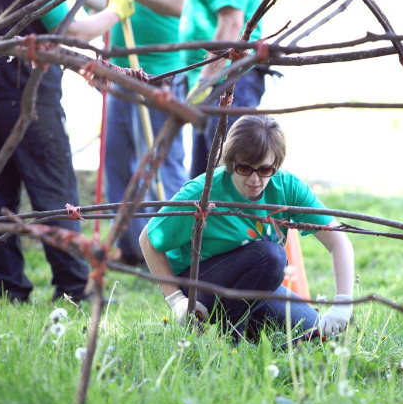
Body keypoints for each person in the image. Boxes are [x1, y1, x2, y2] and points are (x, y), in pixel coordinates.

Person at [0, 0, 135, 302]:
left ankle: (9, 288)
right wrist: (117, 10)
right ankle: (75, 288)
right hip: (27, 98)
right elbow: (72, 31)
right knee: (55, 195)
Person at [140, 115, 355, 342]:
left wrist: (343, 302)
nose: (255, 179)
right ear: (231, 162)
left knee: (318, 335)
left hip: (257, 284)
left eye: (264, 170)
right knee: (270, 257)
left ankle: (243, 326)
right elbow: (148, 240)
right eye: (245, 168)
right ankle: (229, 337)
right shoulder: (201, 193)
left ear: (276, 165)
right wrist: (176, 300)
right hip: (200, 282)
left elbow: (338, 240)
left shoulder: (288, 187)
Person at [102, 0, 191, 266]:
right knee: (116, 164)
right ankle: (132, 250)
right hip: (121, 71)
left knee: (160, 165)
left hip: (160, 74)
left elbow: (183, 4)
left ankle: (177, 251)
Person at [179, 0, 269, 178]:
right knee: (205, 173)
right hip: (214, 79)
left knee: (232, 168)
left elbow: (231, 23)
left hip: (229, 80)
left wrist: (204, 81)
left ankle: (235, 208)